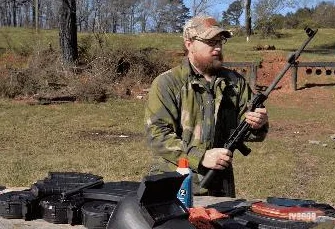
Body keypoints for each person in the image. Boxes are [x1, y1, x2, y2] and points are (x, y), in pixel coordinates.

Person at [144, 15, 269, 197]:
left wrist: (258, 124)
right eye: (210, 41)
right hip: (175, 184)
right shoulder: (168, 83)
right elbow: (157, 136)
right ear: (189, 44)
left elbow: (251, 131)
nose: (217, 47)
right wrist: (201, 157)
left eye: (220, 41)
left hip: (220, 186)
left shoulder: (235, 83)